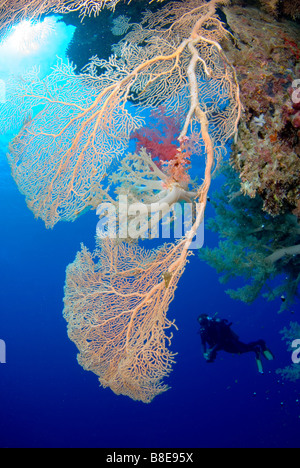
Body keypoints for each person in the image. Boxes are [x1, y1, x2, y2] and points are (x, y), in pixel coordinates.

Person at [198, 314, 274, 374]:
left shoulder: (217, 326)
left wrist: (211, 351)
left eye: (204, 323)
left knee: (243, 349)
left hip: (229, 341)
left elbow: (220, 341)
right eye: (202, 324)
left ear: (207, 321)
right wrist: (204, 353)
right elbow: (203, 343)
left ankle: (260, 343)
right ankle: (255, 349)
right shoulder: (203, 331)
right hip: (223, 346)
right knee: (241, 350)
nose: (203, 326)